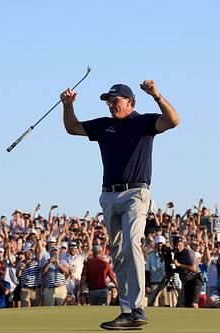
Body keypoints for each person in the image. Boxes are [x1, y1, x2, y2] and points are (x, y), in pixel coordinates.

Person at [61, 80, 179, 330]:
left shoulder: (144, 122)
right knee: (117, 252)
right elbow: (72, 128)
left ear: (130, 102)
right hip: (108, 196)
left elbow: (173, 120)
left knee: (131, 243)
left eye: (116, 100)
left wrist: (157, 95)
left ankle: (138, 307)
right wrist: (68, 106)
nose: (111, 105)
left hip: (136, 193)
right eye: (108, 101)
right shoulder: (104, 126)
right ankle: (127, 310)